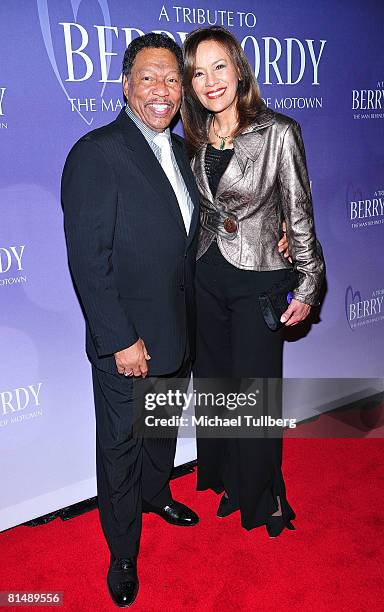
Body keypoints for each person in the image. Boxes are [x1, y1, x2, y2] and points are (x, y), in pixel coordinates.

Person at [61, 33, 202, 608]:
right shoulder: (96, 152)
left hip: (179, 332)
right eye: (149, 77)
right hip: (130, 340)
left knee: (161, 429)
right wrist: (120, 339)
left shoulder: (187, 152)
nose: (163, 90)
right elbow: (88, 262)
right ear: (125, 85)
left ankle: (156, 494)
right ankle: (122, 552)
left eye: (172, 78)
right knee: (119, 444)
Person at [181, 27, 325, 537]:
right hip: (207, 274)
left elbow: (299, 213)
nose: (210, 80)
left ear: (239, 70)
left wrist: (308, 283)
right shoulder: (195, 136)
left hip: (258, 279)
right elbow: (206, 210)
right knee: (220, 389)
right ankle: (231, 484)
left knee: (255, 395)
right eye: (198, 71)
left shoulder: (278, 132)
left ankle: (266, 494)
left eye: (219, 66)